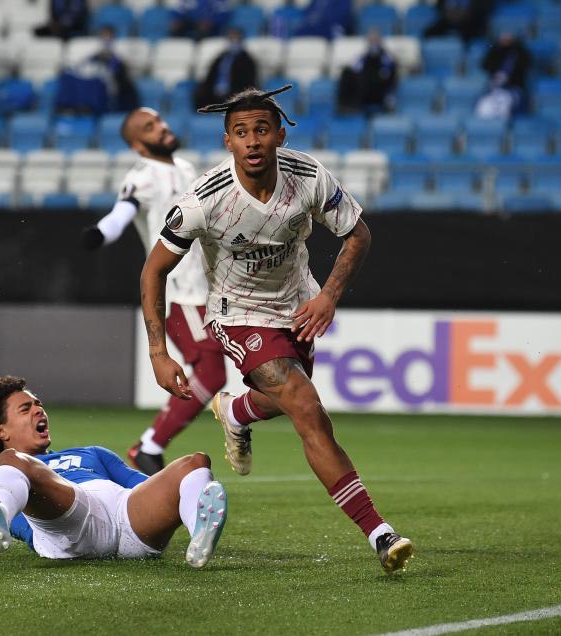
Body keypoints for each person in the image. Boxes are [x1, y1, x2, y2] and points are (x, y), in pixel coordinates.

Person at [140, 85, 414, 573]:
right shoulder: (205, 200)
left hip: (297, 305)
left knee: (287, 399)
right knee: (307, 407)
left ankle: (237, 412)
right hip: (236, 312)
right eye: (241, 132)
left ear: (279, 136)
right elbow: (153, 270)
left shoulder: (307, 176)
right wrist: (159, 352)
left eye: (261, 130)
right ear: (227, 141)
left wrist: (328, 295)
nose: (252, 141)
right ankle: (379, 532)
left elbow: (358, 234)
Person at [0, 327, 228, 567]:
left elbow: (146, 487)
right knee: (15, 461)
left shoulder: (93, 454)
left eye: (38, 404)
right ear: (0, 430)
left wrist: (173, 493)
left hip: (127, 520)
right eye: (25, 408)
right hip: (66, 533)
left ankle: (199, 531)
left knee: (195, 463)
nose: (38, 410)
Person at [80, 107, 227, 475]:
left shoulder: (188, 168)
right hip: (181, 291)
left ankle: (155, 444)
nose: (161, 127)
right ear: (137, 145)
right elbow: (122, 212)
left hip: (211, 287)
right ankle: (150, 445)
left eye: (160, 121)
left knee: (225, 371)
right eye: (150, 127)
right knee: (211, 374)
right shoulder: (142, 176)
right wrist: (100, 233)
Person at [56, 26, 139, 115]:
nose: (106, 38)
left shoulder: (121, 48)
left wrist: (110, 58)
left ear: (113, 36)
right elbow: (85, 63)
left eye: (108, 36)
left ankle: (91, 107)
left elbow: (120, 68)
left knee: (96, 83)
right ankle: (69, 105)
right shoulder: (96, 49)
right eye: (104, 35)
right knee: (68, 77)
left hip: (111, 80)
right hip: (95, 74)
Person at [194, 27, 258, 110]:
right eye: (231, 39)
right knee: (199, 94)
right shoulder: (221, 57)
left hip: (234, 91)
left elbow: (249, 81)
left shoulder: (247, 60)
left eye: (236, 39)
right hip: (215, 91)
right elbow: (210, 75)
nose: (233, 42)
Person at [336, 28, 397, 114]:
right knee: (346, 72)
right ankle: (345, 105)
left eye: (375, 40)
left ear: (380, 41)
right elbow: (354, 69)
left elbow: (387, 76)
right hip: (364, 90)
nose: (373, 43)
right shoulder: (363, 57)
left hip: (379, 91)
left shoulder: (387, 58)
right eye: (371, 40)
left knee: (369, 77)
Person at [475, 30, 530, 119]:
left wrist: (517, 44)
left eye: (508, 36)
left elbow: (526, 64)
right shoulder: (495, 51)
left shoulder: (520, 53)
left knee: (504, 103)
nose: (506, 38)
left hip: (514, 89)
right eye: (503, 36)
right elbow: (484, 64)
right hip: (494, 89)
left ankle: (503, 128)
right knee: (484, 105)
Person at [423, 0, 492, 43]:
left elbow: (484, 8)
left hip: (472, 23)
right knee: (429, 33)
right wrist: (450, 14)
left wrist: (466, 14)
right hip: (448, 21)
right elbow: (439, 7)